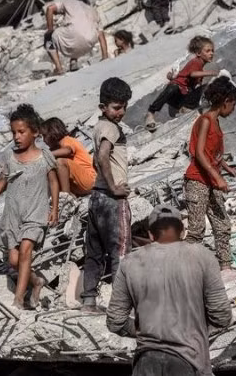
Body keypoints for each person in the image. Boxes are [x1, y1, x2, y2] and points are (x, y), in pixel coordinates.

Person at [106, 205, 232, 376]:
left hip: (146, 361)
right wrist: (194, 332)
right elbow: (222, 315)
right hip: (189, 361)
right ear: (182, 232)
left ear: (150, 234)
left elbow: (115, 321)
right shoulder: (203, 257)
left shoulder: (130, 262)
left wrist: (148, 331)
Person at [0, 104, 59, 310]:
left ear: (35, 132)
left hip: (36, 212)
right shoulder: (10, 158)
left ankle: (18, 300)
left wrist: (54, 208)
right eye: (14, 132)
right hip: (13, 214)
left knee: (25, 251)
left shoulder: (44, 156)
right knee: (13, 260)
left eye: (21, 132)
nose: (17, 137)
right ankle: (36, 281)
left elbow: (54, 182)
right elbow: (1, 181)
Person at [82, 77, 133, 312]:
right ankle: (120, 306)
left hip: (96, 197)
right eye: (116, 107)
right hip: (113, 200)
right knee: (120, 251)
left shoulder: (99, 126)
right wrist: (114, 187)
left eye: (124, 106)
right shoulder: (111, 128)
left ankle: (89, 300)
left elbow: (96, 160)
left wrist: (104, 181)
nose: (121, 112)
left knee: (93, 251)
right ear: (103, 107)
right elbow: (102, 157)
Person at [183, 76, 236, 270]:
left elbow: (211, 152)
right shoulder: (205, 120)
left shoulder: (216, 122)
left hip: (211, 180)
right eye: (233, 105)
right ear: (226, 102)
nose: (233, 110)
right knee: (197, 229)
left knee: (222, 224)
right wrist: (218, 177)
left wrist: (225, 167)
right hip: (198, 180)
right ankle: (187, 269)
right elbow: (199, 153)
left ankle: (226, 266)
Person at [144, 36, 220, 132]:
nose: (211, 53)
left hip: (184, 97)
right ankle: (150, 113)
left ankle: (186, 108)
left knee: (206, 87)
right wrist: (212, 73)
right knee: (173, 87)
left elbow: (195, 84)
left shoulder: (200, 68)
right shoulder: (195, 62)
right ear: (198, 53)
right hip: (176, 95)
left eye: (212, 50)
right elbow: (193, 74)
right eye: (208, 51)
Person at [45, 0, 109, 75]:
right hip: (89, 44)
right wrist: (105, 56)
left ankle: (58, 68)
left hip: (73, 38)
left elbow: (49, 9)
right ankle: (73, 61)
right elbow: (101, 35)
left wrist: (50, 30)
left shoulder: (69, 3)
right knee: (74, 31)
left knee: (48, 37)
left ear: (75, 0)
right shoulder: (93, 10)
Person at [40, 117, 96, 196]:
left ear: (52, 133)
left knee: (60, 162)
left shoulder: (66, 140)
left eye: (44, 136)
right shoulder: (57, 147)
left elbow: (67, 150)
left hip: (89, 180)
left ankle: (66, 197)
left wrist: (46, 154)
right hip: (79, 186)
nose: (43, 140)